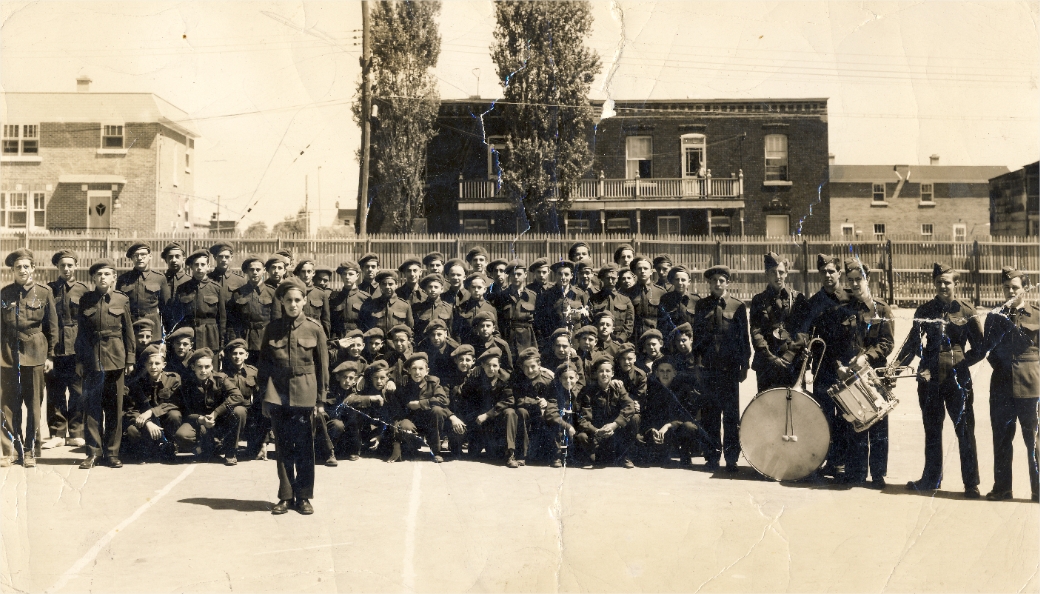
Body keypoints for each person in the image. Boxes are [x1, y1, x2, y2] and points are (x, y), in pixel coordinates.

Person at [897, 263, 985, 498]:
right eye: (939, 282)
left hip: (958, 380)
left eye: (947, 282)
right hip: (930, 379)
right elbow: (911, 344)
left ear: (956, 284)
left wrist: (963, 364)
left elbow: (980, 346)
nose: (943, 286)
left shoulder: (967, 310)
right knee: (932, 430)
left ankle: (971, 483)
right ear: (934, 285)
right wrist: (897, 367)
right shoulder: (924, 310)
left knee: (965, 430)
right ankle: (931, 479)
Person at [257, 277, 329, 515]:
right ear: (282, 301)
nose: (293, 304)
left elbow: (322, 368)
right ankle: (286, 497)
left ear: (305, 301)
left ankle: (304, 496)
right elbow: (264, 367)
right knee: (283, 447)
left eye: (298, 300)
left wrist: (320, 400)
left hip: (306, 395)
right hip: (279, 395)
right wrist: (265, 398)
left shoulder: (314, 328)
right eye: (289, 300)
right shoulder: (272, 329)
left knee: (305, 448)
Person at [981, 267, 1039, 501]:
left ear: (1025, 289)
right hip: (1002, 385)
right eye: (1006, 287)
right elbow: (990, 350)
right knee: (1002, 438)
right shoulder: (995, 316)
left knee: (1034, 440)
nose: (1010, 291)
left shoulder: (1037, 314)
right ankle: (1002, 488)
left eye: (1015, 287)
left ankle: (1038, 490)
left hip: (1031, 386)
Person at [795, 254, 853, 477]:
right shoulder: (814, 302)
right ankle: (828, 460)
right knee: (825, 416)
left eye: (831, 271)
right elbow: (804, 332)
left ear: (839, 273)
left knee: (846, 416)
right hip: (823, 368)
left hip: (846, 368)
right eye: (823, 272)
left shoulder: (850, 300)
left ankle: (842, 463)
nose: (827, 276)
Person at [75, 258, 134, 469]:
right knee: (91, 409)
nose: (102, 278)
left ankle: (112, 453)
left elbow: (128, 331)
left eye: (107, 274)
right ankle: (92, 453)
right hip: (92, 360)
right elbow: (81, 333)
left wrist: (130, 359)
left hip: (116, 359)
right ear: (93, 278)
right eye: (99, 274)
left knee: (114, 409)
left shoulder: (121, 300)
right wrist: (80, 361)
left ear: (113, 278)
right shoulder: (86, 300)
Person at [841, 258, 895, 488]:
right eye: (851, 280)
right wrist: (839, 364)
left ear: (867, 279)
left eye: (859, 279)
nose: (854, 284)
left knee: (879, 426)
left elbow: (887, 342)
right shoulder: (843, 309)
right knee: (856, 423)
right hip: (851, 377)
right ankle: (857, 472)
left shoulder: (881, 308)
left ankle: (878, 474)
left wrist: (867, 357)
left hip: (875, 376)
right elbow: (837, 342)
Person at [690, 265, 750, 472]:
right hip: (708, 369)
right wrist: (697, 364)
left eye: (721, 280)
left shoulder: (737, 306)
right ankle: (711, 457)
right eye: (714, 280)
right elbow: (697, 338)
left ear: (727, 283)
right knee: (710, 414)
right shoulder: (702, 306)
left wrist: (745, 365)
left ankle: (732, 458)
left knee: (731, 416)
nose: (717, 284)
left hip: (729, 370)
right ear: (709, 283)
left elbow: (744, 340)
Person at [1, 249, 57, 467]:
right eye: (18, 267)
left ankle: (31, 450)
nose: (22, 270)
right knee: (8, 404)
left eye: (26, 266)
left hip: (35, 353)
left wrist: (51, 355)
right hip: (8, 354)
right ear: (12, 270)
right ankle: (10, 450)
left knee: (34, 404)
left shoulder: (44, 293)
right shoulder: (4, 294)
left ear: (33, 268)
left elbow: (52, 327)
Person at [44, 249, 89, 448]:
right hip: (55, 348)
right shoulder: (48, 290)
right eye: (63, 265)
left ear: (76, 266)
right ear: (57, 268)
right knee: (55, 391)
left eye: (70, 265)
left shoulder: (83, 290)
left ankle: (76, 431)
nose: (67, 269)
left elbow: (88, 322)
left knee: (78, 391)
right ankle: (57, 433)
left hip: (77, 349)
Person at [172, 348, 246, 465]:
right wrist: (201, 419)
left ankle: (230, 452)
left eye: (207, 367)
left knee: (239, 411)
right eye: (199, 367)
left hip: (220, 421)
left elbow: (237, 396)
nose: (203, 370)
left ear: (212, 367)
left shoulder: (220, 379)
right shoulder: (187, 384)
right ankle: (205, 447)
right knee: (182, 436)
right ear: (193, 367)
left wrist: (216, 413)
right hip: (199, 422)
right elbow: (185, 411)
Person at [454, 347, 522, 467]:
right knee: (475, 454)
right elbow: (465, 395)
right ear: (482, 366)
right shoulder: (476, 376)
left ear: (499, 365)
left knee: (510, 412)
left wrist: (488, 414)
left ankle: (510, 454)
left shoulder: (505, 378)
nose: (491, 369)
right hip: (480, 420)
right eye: (488, 365)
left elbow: (509, 400)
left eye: (495, 366)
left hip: (497, 417)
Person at [750, 252, 807, 391]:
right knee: (769, 409)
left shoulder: (798, 298)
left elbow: (803, 331)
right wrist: (772, 359)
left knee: (795, 408)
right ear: (766, 274)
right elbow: (756, 333)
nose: (777, 276)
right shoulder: (758, 300)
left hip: (793, 363)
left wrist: (789, 356)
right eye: (773, 272)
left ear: (786, 273)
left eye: (781, 272)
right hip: (767, 365)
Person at [385, 352, 453, 463]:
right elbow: (397, 412)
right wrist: (396, 441)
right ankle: (412, 447)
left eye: (421, 369)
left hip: (430, 422)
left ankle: (436, 451)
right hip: (413, 422)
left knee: (437, 410)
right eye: (414, 368)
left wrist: (420, 404)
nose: (417, 372)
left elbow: (443, 400)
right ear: (409, 371)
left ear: (427, 371)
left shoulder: (433, 382)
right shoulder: (404, 385)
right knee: (404, 425)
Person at [574, 355, 636, 469]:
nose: (604, 374)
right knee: (582, 436)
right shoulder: (588, 391)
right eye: (601, 371)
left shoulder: (618, 388)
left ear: (612, 373)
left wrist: (615, 424)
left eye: (608, 371)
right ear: (596, 374)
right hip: (596, 433)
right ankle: (591, 456)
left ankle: (625, 456)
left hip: (614, 431)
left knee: (634, 418)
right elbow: (583, 418)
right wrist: (596, 431)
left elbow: (630, 405)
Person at [122, 345, 181, 461]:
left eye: (157, 363)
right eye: (150, 363)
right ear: (145, 365)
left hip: (164, 419)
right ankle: (149, 449)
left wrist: (151, 412)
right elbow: (131, 409)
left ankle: (170, 445)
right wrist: (147, 423)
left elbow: (175, 402)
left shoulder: (174, 379)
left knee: (175, 415)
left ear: (164, 365)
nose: (153, 367)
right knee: (132, 431)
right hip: (145, 422)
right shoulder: (138, 383)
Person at [172, 250, 226, 353]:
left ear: (208, 266)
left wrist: (222, 345)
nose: (199, 268)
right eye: (196, 264)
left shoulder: (216, 288)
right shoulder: (182, 288)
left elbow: (222, 319)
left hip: (210, 337)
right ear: (191, 267)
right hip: (189, 335)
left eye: (202, 264)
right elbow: (176, 316)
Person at [228, 255, 278, 363]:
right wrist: (234, 342)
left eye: (258, 269)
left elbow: (277, 320)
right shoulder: (238, 293)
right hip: (244, 340)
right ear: (246, 271)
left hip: (265, 340)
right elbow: (232, 322)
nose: (255, 272)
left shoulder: (272, 293)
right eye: (251, 269)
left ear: (264, 271)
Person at [117, 243, 170, 339]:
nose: (139, 258)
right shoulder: (123, 279)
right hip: (130, 325)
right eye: (135, 255)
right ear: (132, 259)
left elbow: (166, 308)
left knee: (152, 352)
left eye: (143, 255)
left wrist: (166, 330)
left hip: (153, 325)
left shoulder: (159, 278)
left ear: (150, 256)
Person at [220, 339, 259, 461]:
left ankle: (259, 445)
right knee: (239, 411)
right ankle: (231, 451)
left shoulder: (253, 372)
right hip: (230, 410)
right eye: (234, 353)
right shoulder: (223, 373)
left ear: (246, 355)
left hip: (249, 409)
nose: (238, 356)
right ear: (230, 355)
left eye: (241, 353)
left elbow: (259, 394)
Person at [535, 260, 588, 342]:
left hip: (576, 340)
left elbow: (586, 320)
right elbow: (541, 321)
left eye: (566, 274)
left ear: (572, 276)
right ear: (555, 275)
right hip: (555, 340)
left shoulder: (580, 294)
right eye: (560, 274)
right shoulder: (547, 295)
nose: (563, 277)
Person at [498, 260, 539, 356]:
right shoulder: (502, 296)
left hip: (527, 340)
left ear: (525, 275)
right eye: (513, 274)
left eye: (519, 274)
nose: (516, 277)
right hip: (508, 338)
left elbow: (537, 322)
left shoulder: (532, 296)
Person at [208, 242, 247, 343]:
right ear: (215, 257)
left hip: (233, 329)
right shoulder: (208, 279)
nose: (223, 259)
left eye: (227, 256)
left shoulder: (240, 281)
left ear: (231, 258)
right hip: (213, 328)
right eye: (220, 256)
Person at [589, 263, 635, 343]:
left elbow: (629, 323)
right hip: (598, 341)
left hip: (620, 342)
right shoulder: (594, 299)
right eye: (607, 278)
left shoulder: (625, 300)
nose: (610, 281)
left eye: (613, 278)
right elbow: (590, 321)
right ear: (602, 279)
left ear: (617, 278)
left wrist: (620, 339)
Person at [359, 270, 414, 337]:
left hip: (396, 345)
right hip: (377, 345)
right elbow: (365, 327)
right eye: (384, 284)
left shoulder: (405, 305)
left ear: (396, 285)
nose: (387, 287)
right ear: (380, 286)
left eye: (390, 284)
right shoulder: (372, 304)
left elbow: (410, 329)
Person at [628, 256, 665, 341]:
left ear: (651, 271)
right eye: (639, 269)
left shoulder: (660, 292)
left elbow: (664, 319)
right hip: (634, 338)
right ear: (635, 272)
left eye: (645, 268)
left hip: (655, 338)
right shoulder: (628, 293)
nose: (642, 271)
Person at [293, 260, 332, 339]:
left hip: (316, 335)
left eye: (309, 271)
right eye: (303, 272)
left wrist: (326, 338)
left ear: (313, 273)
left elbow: (325, 320)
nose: (306, 275)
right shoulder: (292, 292)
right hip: (296, 333)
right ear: (299, 273)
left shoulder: (321, 294)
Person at [658, 265, 699, 337]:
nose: (680, 283)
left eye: (683, 280)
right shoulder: (666, 299)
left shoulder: (696, 300)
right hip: (671, 341)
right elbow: (661, 324)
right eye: (677, 279)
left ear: (689, 282)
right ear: (673, 281)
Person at [330, 261, 367, 339]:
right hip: (339, 338)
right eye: (344, 274)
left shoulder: (365, 298)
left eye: (351, 274)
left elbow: (368, 323)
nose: (347, 277)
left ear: (357, 276)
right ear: (341, 276)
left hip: (357, 338)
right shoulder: (334, 297)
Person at [412, 273, 453, 340]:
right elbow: (415, 330)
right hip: (424, 345)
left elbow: (451, 331)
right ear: (425, 289)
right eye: (430, 287)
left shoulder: (448, 308)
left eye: (436, 287)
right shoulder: (418, 308)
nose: (433, 290)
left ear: (442, 289)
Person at [161, 243, 191, 322]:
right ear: (166, 260)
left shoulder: (190, 281)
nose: (174, 260)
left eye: (177, 256)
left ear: (183, 259)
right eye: (170, 257)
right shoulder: (160, 280)